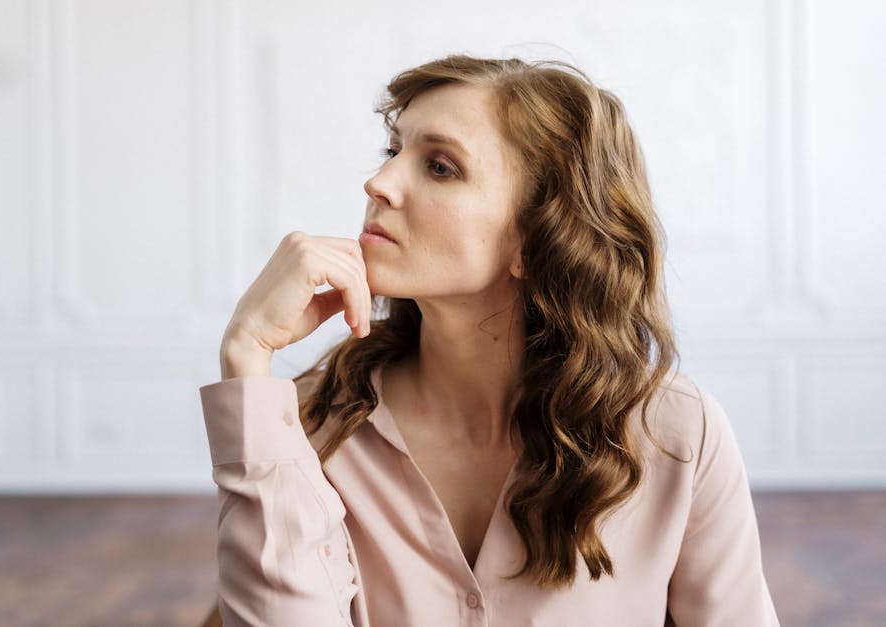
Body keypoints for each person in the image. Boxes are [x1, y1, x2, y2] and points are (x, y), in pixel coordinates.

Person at [199, 54, 780, 626]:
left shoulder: (677, 436)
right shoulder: (312, 422)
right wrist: (248, 353)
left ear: (538, 239)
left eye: (441, 167)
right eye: (394, 150)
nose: (379, 183)